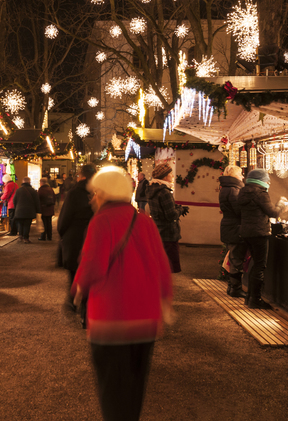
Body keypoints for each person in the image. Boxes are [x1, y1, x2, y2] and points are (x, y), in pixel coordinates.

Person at [71, 166, 174, 421]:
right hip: (146, 321)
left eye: (95, 193)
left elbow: (93, 266)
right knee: (135, 387)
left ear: (105, 193)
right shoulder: (144, 221)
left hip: (111, 319)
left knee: (113, 390)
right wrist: (165, 302)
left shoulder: (101, 222)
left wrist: (77, 289)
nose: (93, 199)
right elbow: (163, 266)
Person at [235, 169, 288, 309]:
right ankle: (255, 300)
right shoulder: (261, 194)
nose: (269, 182)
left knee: (255, 264)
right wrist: (281, 204)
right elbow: (273, 212)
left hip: (246, 232)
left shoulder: (243, 191)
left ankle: (249, 297)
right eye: (267, 180)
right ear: (260, 180)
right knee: (260, 265)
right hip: (259, 233)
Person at [58, 164, 97, 284]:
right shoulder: (98, 192)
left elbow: (64, 219)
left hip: (75, 238)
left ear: (81, 175)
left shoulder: (74, 193)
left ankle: (74, 300)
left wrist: (63, 234)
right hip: (93, 238)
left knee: (74, 277)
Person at [146, 163, 185, 273]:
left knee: (159, 265)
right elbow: (171, 215)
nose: (172, 175)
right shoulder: (164, 192)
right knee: (169, 267)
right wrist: (180, 210)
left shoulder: (152, 190)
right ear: (164, 176)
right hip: (169, 233)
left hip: (158, 231)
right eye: (170, 173)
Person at [218, 165, 245, 298]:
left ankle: (231, 286)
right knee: (236, 258)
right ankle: (235, 288)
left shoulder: (225, 188)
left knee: (233, 256)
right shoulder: (234, 190)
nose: (243, 177)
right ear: (235, 176)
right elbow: (238, 210)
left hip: (228, 226)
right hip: (235, 227)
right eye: (240, 174)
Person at [13, 177, 40, 243]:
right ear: (29, 182)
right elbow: (37, 201)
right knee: (27, 224)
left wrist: (17, 207)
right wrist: (38, 210)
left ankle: (20, 236)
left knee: (20, 223)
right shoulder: (33, 191)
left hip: (19, 211)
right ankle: (25, 238)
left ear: (22, 182)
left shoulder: (18, 190)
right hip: (29, 211)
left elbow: (14, 200)